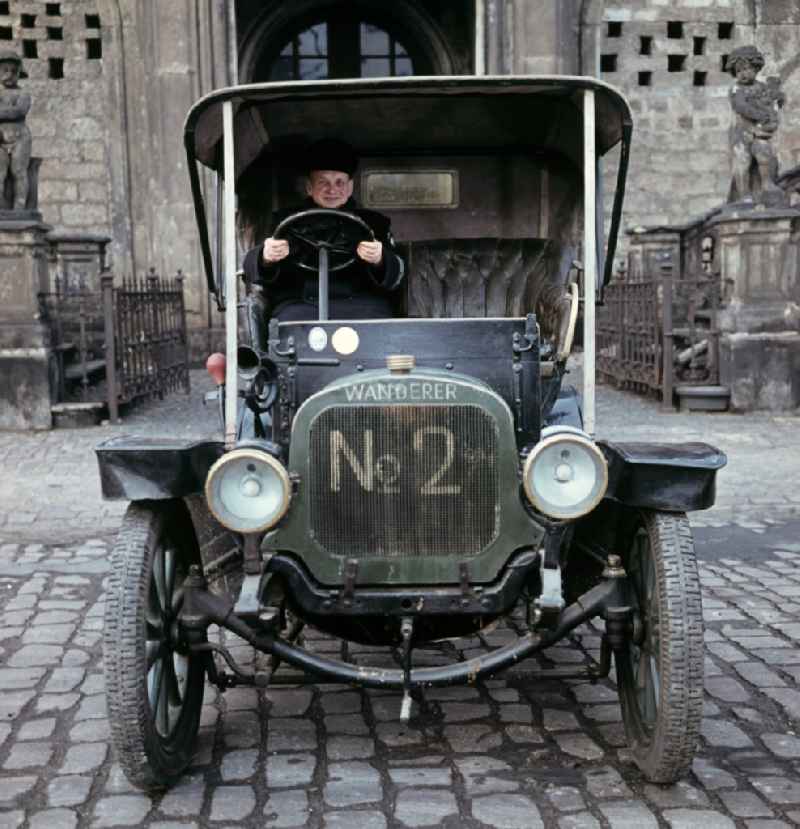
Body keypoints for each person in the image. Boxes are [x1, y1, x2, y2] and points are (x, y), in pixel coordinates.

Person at [242, 138, 405, 320]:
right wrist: (266, 257)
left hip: (363, 305)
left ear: (350, 187)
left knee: (383, 323)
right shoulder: (282, 222)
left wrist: (380, 259)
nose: (332, 190)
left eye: (339, 182)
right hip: (299, 305)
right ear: (309, 187)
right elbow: (250, 266)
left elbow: (398, 273)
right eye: (323, 182)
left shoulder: (375, 223)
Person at [726, 45, 785, 205]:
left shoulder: (762, 88)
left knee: (764, 153)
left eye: (746, 69)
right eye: (738, 71)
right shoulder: (736, 89)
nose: (743, 74)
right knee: (742, 161)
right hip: (742, 133)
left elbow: (773, 101)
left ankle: (767, 184)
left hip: (760, 132)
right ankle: (744, 193)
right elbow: (741, 106)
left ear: (756, 68)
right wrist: (760, 114)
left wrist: (778, 99)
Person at [0, 51, 32, 211]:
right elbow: (13, 111)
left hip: (20, 137)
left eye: (13, 71)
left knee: (19, 171)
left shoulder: (23, 93)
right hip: (1, 138)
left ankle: (20, 207)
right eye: (5, 70)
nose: (9, 74)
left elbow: (19, 111)